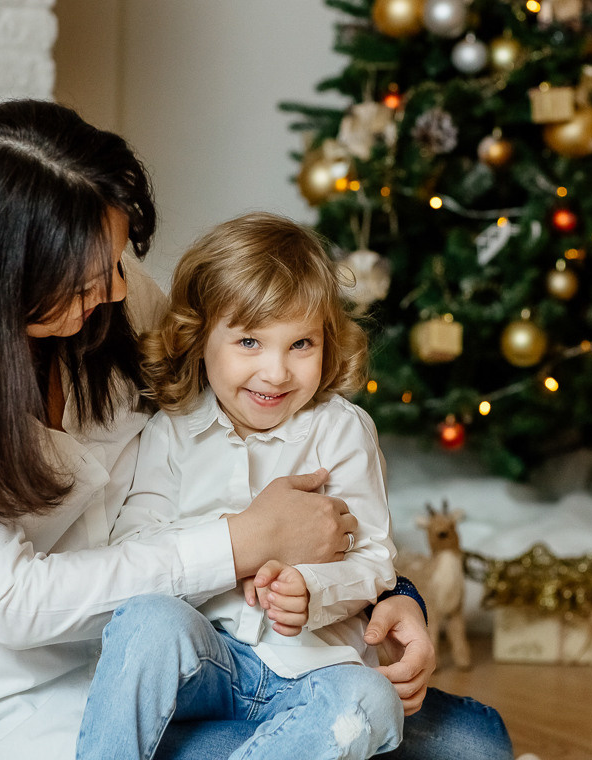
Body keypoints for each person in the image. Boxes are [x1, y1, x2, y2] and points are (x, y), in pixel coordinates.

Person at [0, 98, 511, 760]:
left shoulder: (105, 293)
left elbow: (286, 446)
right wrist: (247, 541)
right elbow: (13, 602)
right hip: (1, 698)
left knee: (472, 744)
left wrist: (393, 599)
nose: (119, 290)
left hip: (191, 654)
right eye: (89, 281)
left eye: (116, 262)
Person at [77, 215, 403, 759]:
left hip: (312, 674)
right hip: (209, 665)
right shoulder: (170, 433)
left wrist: (311, 590)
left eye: (301, 343)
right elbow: (133, 551)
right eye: (249, 341)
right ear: (199, 336)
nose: (275, 373)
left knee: (371, 701)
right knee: (147, 619)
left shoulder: (342, 429)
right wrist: (240, 546)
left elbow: (373, 559)